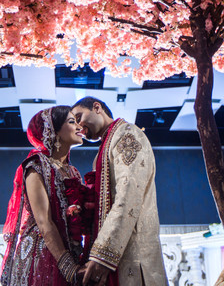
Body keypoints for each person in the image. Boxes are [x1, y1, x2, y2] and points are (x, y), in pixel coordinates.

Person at [71, 97, 168, 286]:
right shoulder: (105, 147)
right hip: (116, 253)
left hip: (131, 252)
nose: (78, 128)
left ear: (97, 108)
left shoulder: (127, 134)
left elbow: (129, 195)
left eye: (79, 117)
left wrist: (102, 255)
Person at [0, 106, 89, 286]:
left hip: (69, 251)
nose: (79, 127)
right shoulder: (36, 166)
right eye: (72, 122)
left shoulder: (73, 172)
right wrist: (68, 267)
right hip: (41, 256)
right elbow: (44, 222)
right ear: (53, 131)